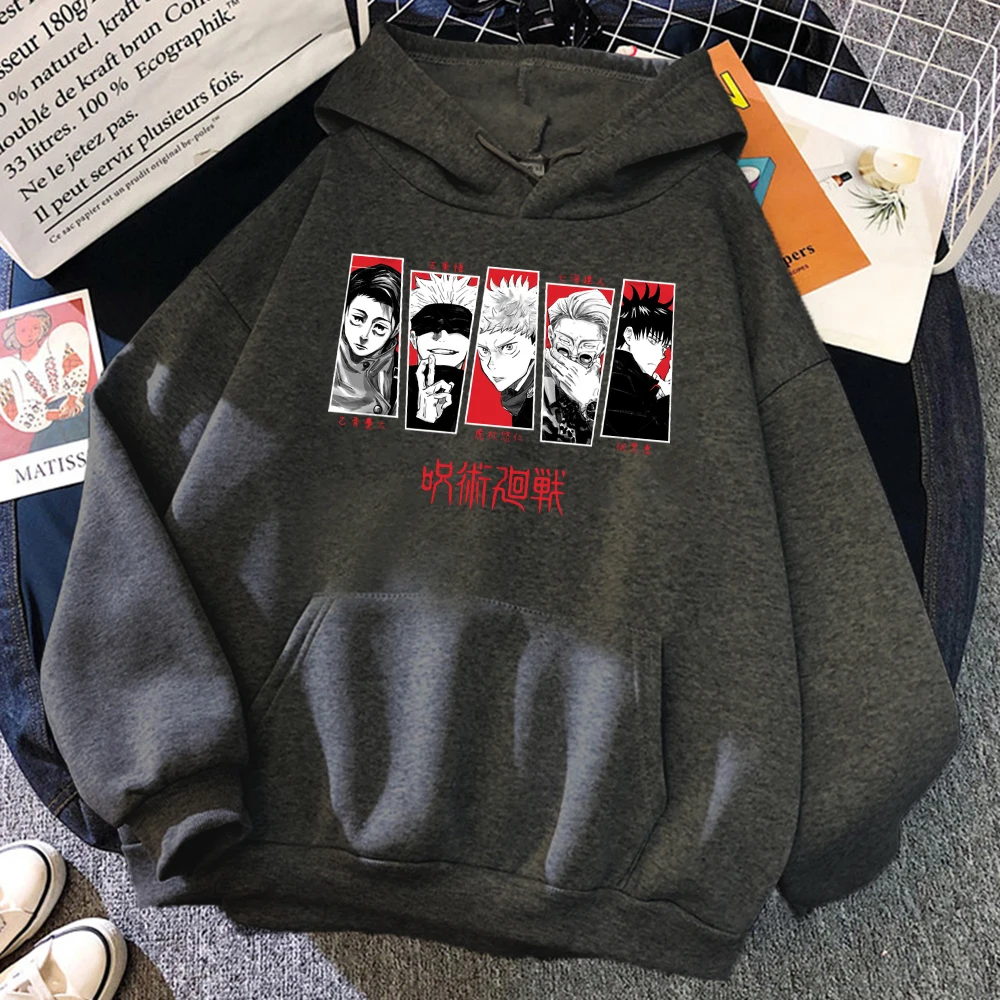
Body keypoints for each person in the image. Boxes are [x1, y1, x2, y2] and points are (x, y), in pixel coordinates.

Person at [0, 308, 91, 453]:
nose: (29, 334)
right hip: (47, 425)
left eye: (35, 328)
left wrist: (73, 398)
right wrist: (55, 414)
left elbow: (75, 366)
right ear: (13, 333)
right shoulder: (8, 367)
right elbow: (14, 411)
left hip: (79, 408)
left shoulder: (56, 344)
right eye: (23, 330)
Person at [406, 272, 478, 432]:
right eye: (429, 326)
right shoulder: (393, 384)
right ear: (413, 338)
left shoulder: (479, 396)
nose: (442, 336)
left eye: (459, 327)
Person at [601, 283, 673, 442]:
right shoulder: (617, 376)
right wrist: (666, 398)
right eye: (654, 340)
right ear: (628, 335)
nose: (662, 354)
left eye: (665, 347)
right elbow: (641, 435)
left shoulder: (634, 376)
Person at [329, 262, 402, 416]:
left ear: (395, 329)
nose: (364, 335)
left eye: (379, 327)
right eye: (357, 318)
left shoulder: (401, 372)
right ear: (344, 312)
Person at [541, 288, 613, 445]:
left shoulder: (614, 387)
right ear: (551, 335)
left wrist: (590, 401)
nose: (573, 357)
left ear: (603, 347)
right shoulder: (534, 379)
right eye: (564, 346)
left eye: (586, 350)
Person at [473, 274, 538, 428]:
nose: (492, 364)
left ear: (535, 347)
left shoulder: (547, 395)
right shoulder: (515, 394)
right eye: (484, 350)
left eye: (508, 348)